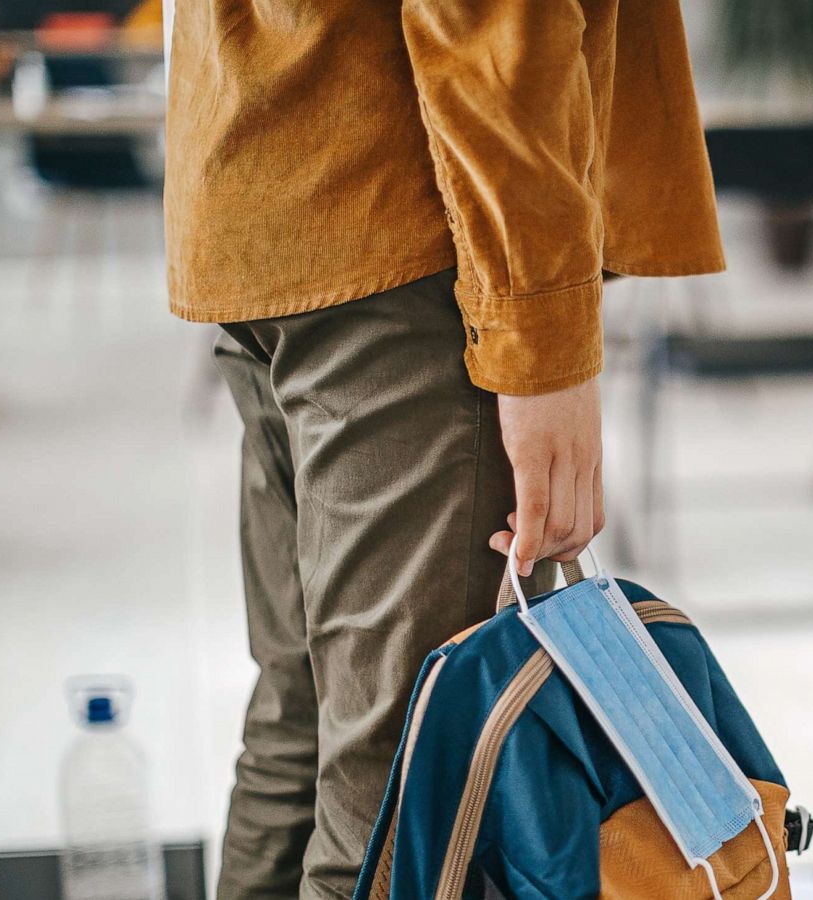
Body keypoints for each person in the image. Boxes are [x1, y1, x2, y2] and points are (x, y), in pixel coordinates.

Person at [162, 3, 725, 897]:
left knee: (301, 740)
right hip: (408, 221)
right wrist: (540, 340)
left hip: (262, 186)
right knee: (398, 805)